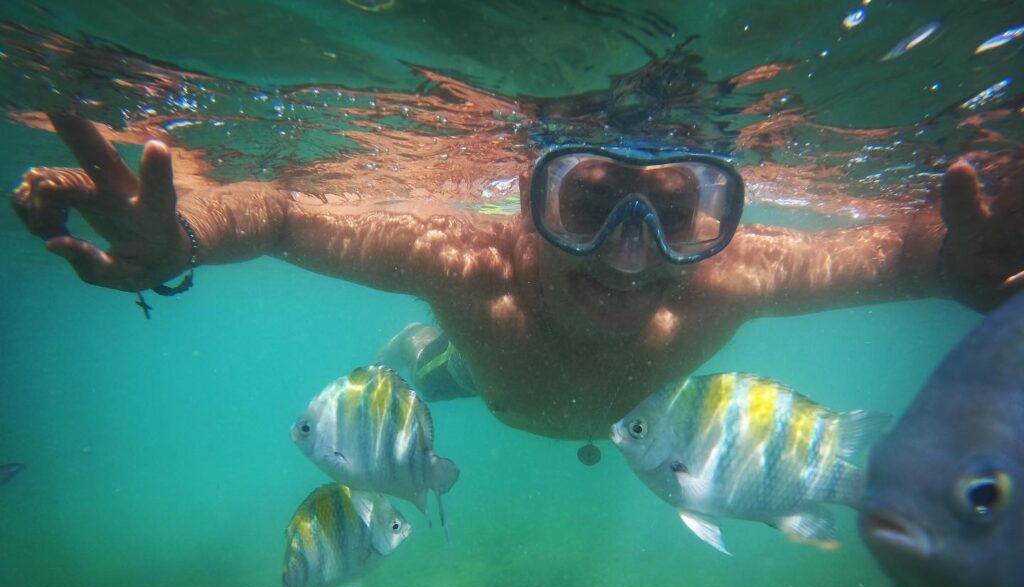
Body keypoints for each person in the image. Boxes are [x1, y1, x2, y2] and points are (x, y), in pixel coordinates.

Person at [11, 113, 1024, 440]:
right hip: (480, 378)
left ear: (719, 220)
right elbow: (281, 213)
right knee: (423, 368)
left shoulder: (733, 280)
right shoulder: (467, 265)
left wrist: (956, 262)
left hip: (619, 416)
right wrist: (186, 234)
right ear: (526, 208)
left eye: (674, 217)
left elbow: (893, 252)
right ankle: (418, 360)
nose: (632, 257)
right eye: (587, 207)